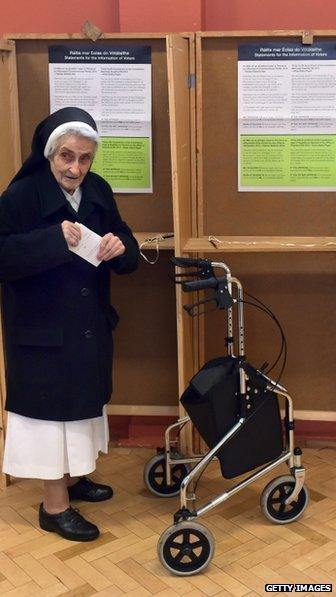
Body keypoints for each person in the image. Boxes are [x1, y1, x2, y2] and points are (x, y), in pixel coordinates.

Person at [0, 107, 139, 541]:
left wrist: (121, 248)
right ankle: (53, 506)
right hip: (40, 332)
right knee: (49, 417)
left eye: (84, 158)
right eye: (65, 156)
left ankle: (76, 479)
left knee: (79, 411)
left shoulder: (97, 189)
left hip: (87, 327)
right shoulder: (20, 197)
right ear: (49, 155)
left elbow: (124, 238)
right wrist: (52, 241)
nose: (75, 167)